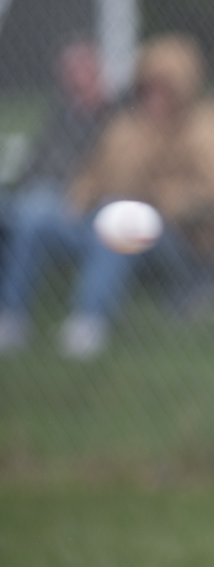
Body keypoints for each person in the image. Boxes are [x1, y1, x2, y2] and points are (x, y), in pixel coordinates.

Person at [1, 33, 214, 359]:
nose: (155, 97)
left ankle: (89, 321)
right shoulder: (127, 125)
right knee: (36, 216)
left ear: (182, 89)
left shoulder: (203, 128)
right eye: (149, 88)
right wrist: (79, 195)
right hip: (108, 217)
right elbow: (94, 171)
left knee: (122, 221)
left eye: (164, 89)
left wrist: (169, 197)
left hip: (178, 237)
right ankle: (13, 318)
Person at [0, 39, 113, 354]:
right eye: (69, 76)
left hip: (81, 207)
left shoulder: (114, 116)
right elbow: (30, 167)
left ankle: (12, 315)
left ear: (97, 75)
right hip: (38, 197)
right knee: (25, 210)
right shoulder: (58, 116)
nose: (75, 83)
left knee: (32, 215)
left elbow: (101, 174)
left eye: (82, 75)